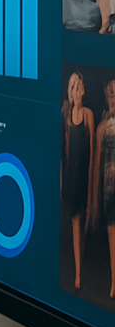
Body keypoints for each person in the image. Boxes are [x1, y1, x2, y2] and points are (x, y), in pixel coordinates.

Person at [61, 71, 94, 292]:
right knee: (75, 222)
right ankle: (78, 273)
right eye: (72, 86)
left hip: (84, 178)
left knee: (82, 223)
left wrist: (91, 186)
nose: (75, 89)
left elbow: (92, 153)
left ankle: (80, 266)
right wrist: (62, 182)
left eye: (78, 85)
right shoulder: (66, 115)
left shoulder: (89, 115)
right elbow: (65, 151)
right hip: (71, 179)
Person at [94, 78, 115, 299]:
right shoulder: (102, 125)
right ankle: (114, 280)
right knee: (111, 232)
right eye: (111, 92)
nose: (114, 96)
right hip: (109, 188)